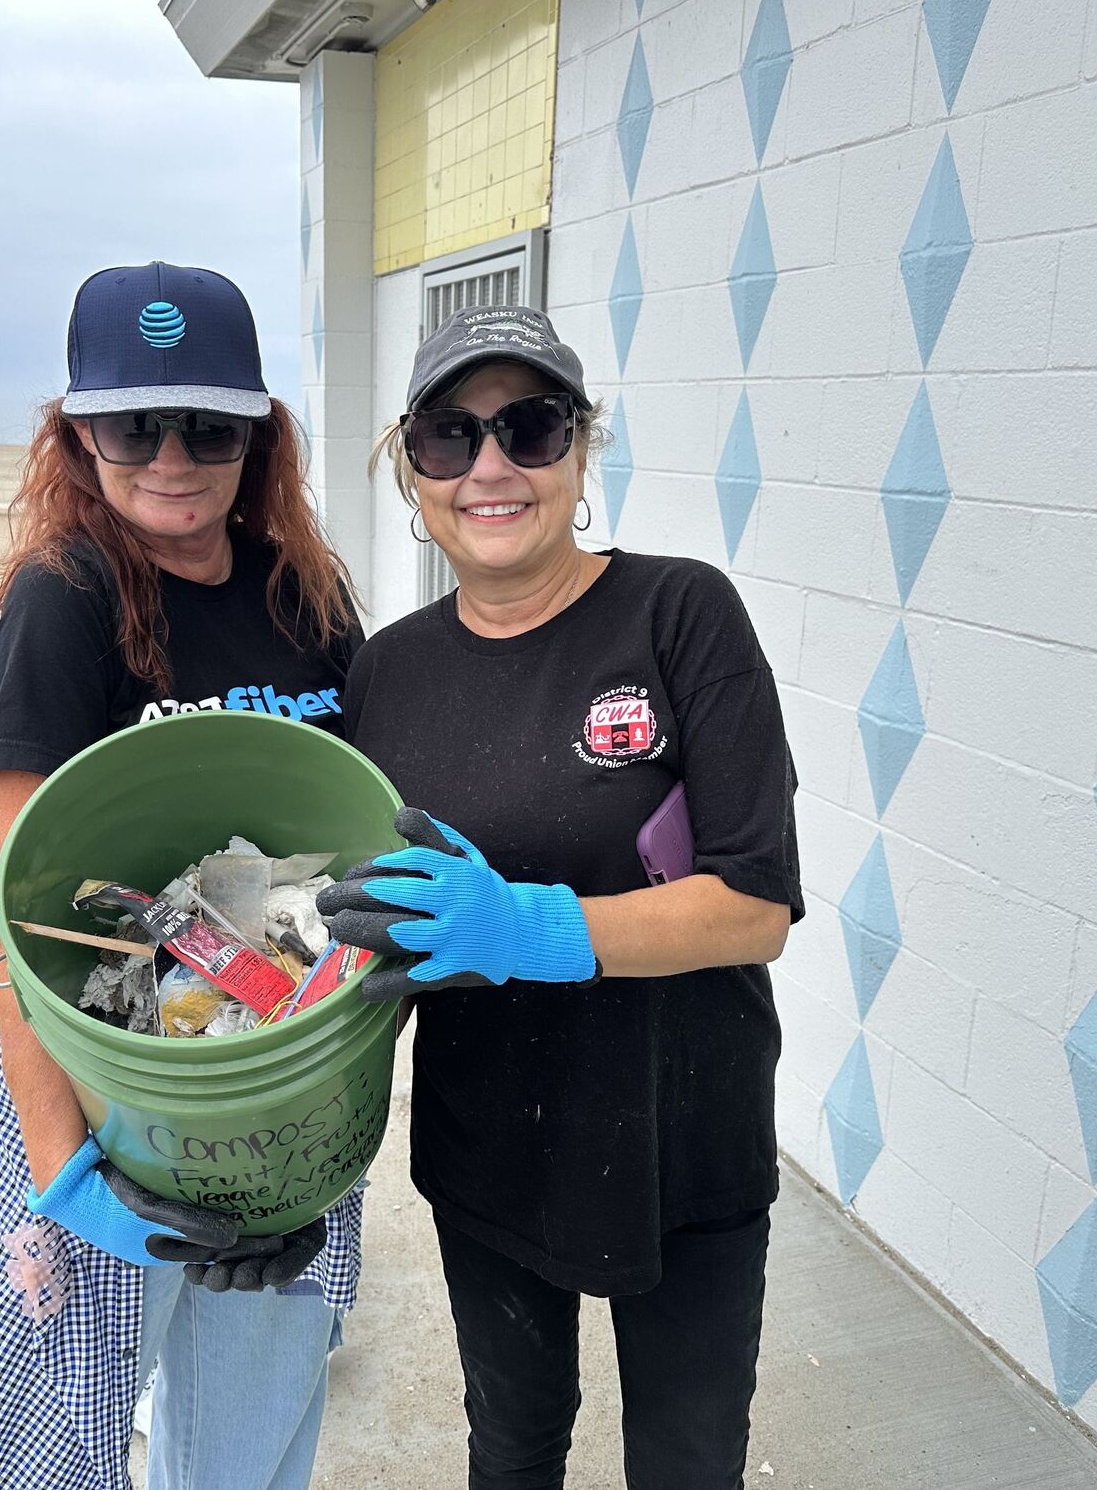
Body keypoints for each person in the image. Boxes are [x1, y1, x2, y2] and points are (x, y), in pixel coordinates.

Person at [0, 263, 366, 1490]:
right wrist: (60, 1170)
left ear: (256, 435)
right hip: (100, 1067)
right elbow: (16, 925)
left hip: (282, 1066)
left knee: (251, 1418)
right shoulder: (68, 597)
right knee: (12, 1412)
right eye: (128, 424)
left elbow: (355, 836)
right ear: (75, 432)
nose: (170, 455)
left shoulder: (301, 591)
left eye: (207, 424)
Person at [320, 305, 804, 1490]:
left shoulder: (679, 614)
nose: (489, 466)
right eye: (448, 436)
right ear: (411, 470)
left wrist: (533, 926)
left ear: (581, 452)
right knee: (513, 1446)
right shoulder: (387, 672)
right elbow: (366, 923)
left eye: (528, 428)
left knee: (687, 1465)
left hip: (681, 1125)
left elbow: (754, 904)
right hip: (491, 1138)